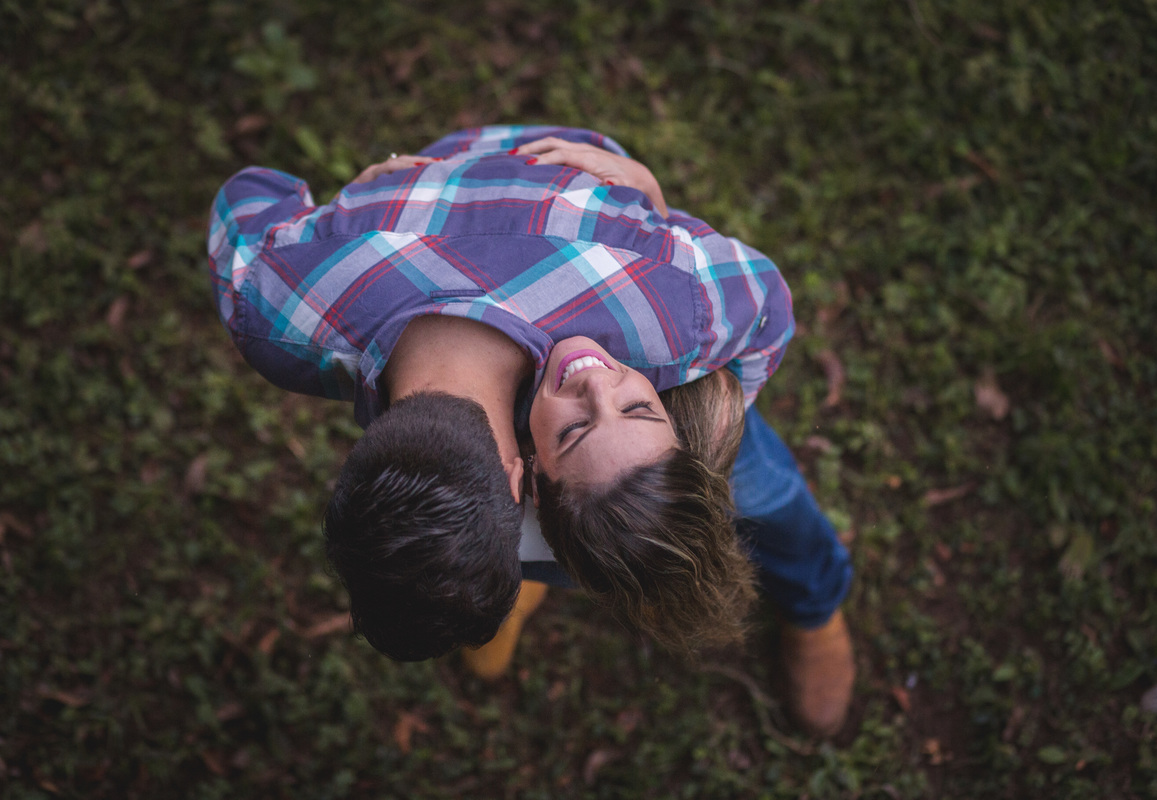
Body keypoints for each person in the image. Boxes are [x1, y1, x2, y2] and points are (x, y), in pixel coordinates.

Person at [207, 125, 854, 735]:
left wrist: (715, 414)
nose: (599, 383)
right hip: (432, 202)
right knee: (564, 529)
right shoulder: (274, 303)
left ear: (520, 478)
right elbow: (250, 193)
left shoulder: (664, 319)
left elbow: (766, 307)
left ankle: (814, 605)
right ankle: (509, 586)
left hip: (565, 182)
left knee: (759, 493)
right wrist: (346, 214)